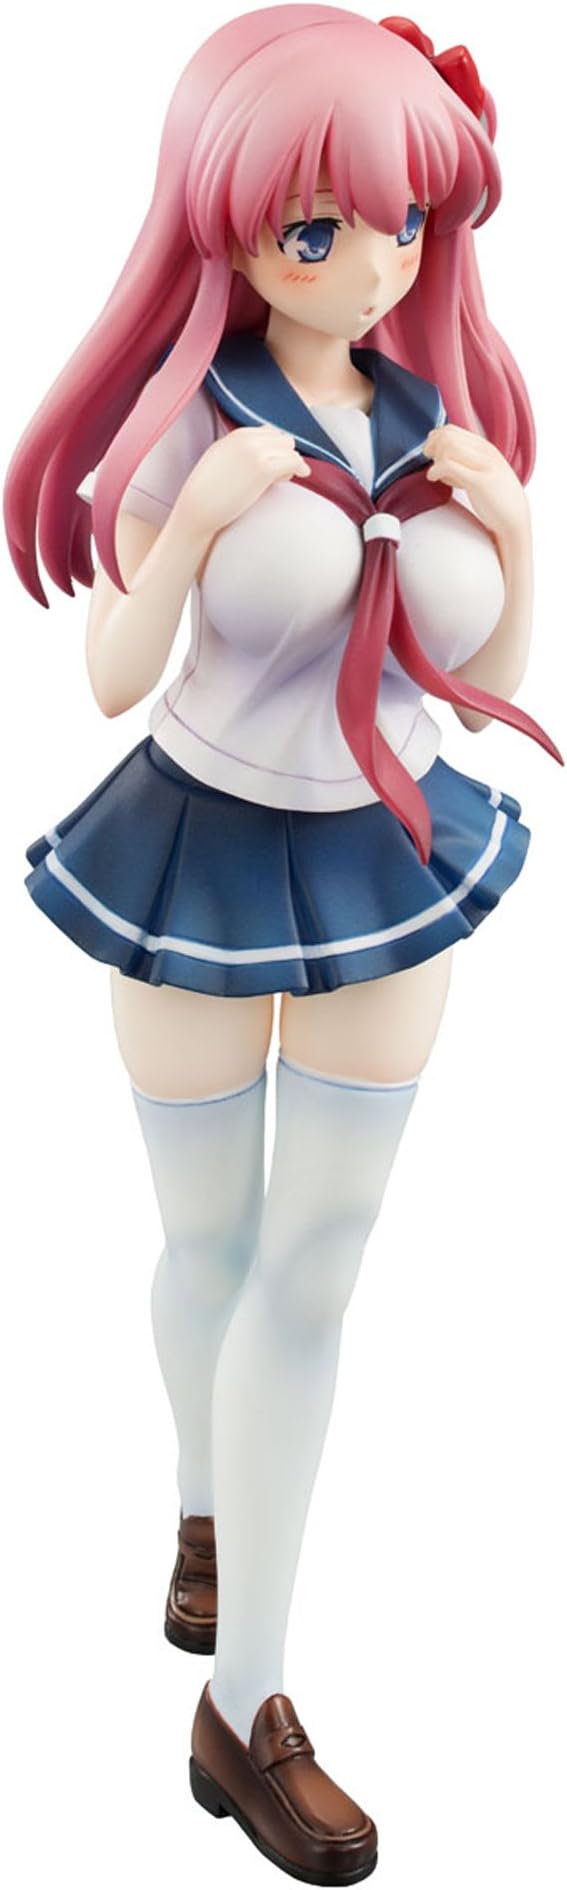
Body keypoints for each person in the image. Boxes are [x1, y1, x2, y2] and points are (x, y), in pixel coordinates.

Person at [4, 8, 561, 1882]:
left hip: (388, 861)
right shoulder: (193, 417)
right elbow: (107, 671)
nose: (372, 261)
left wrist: (520, 539)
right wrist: (190, 532)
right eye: (319, 228)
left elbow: (474, 678)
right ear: (230, 225)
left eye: (401, 222)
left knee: (315, 1270)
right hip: (193, 852)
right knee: (215, 1248)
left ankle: (242, 1710)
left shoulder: (435, 415)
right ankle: (201, 1504)